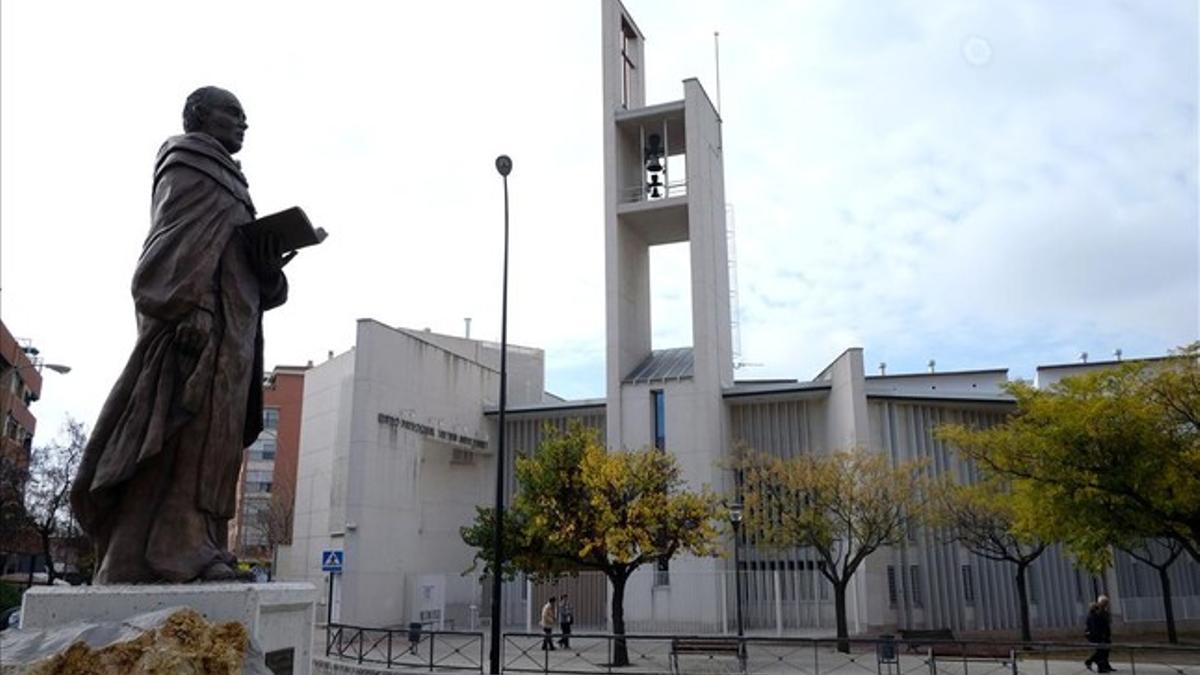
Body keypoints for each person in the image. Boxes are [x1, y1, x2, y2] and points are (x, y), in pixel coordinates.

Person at [70, 86, 290, 584]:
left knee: (214, 440)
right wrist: (187, 306)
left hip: (234, 335)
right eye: (233, 113)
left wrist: (268, 267)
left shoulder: (233, 182)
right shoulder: (189, 161)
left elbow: (240, 269)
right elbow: (173, 240)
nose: (243, 123)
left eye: (245, 115)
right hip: (197, 326)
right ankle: (172, 548)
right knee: (175, 431)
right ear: (199, 116)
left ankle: (189, 544)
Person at [1085, 595, 1114, 673]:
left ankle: (1104, 665)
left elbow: (1105, 623)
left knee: (1104, 650)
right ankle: (1097, 664)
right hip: (1099, 635)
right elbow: (1096, 626)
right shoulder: (1095, 614)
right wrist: (1101, 635)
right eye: (1105, 602)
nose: (1106, 604)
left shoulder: (1103, 612)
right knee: (1101, 651)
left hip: (1104, 634)